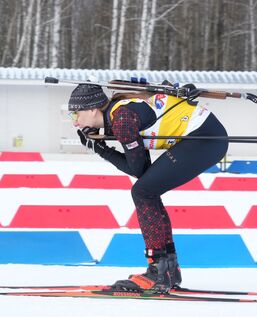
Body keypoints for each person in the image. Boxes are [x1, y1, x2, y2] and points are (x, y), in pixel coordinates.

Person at [67, 82, 228, 293]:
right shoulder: (120, 111)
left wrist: (101, 149)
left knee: (142, 191)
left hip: (205, 139)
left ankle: (158, 271)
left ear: (92, 109)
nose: (75, 122)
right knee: (147, 190)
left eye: (75, 114)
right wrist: (101, 145)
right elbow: (143, 170)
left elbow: (137, 169)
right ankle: (167, 268)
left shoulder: (122, 119)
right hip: (205, 137)